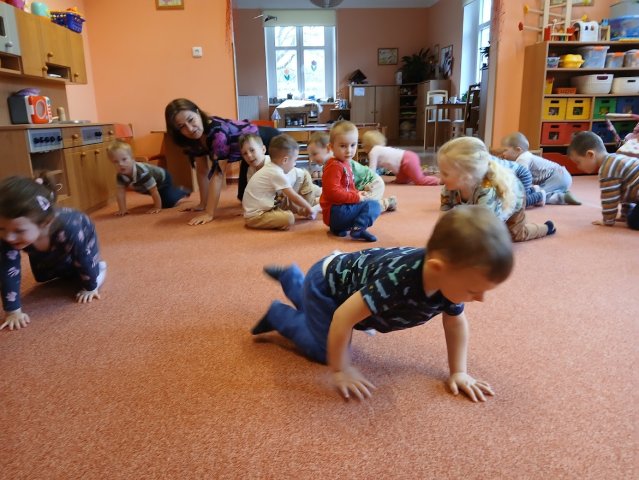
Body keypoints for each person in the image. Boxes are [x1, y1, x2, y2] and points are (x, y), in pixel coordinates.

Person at [251, 205, 514, 402]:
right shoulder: (397, 281)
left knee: (318, 311)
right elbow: (343, 317)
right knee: (325, 349)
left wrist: (459, 372)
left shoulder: (447, 280)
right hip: (328, 287)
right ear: (437, 268)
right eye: (473, 290)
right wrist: (341, 369)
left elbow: (455, 322)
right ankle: (278, 314)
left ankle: (291, 278)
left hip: (342, 284)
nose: (480, 299)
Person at [0, 176, 107, 331]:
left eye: (19, 231)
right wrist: (13, 311)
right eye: (1, 228)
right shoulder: (9, 235)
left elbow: (83, 256)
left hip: (82, 236)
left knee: (83, 269)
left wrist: (90, 287)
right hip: (43, 241)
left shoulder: (70, 229)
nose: (9, 237)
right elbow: (8, 270)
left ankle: (100, 268)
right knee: (44, 276)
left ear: (45, 223)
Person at [164, 98, 280, 225]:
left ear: (197, 112)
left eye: (191, 120)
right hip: (248, 153)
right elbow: (202, 171)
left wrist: (209, 213)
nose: (190, 129)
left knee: (272, 187)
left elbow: (218, 174)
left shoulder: (217, 132)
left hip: (268, 141)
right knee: (244, 197)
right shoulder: (194, 139)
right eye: (182, 126)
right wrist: (203, 203)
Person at [438, 137, 555, 242]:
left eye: (445, 174)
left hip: (514, 197)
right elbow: (445, 219)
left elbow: (486, 233)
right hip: (489, 208)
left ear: (466, 176)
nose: (440, 180)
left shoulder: (486, 191)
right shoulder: (448, 189)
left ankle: (547, 227)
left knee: (515, 235)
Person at [242, 134, 320, 230]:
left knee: (292, 204)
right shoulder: (275, 172)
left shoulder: (271, 167)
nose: (295, 164)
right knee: (289, 217)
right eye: (295, 161)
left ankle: (318, 203)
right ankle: (316, 205)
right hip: (256, 216)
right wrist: (308, 208)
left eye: (252, 150)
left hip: (272, 203)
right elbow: (293, 196)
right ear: (285, 160)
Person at [320, 121, 382, 242]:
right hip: (336, 212)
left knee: (366, 201)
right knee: (374, 205)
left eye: (353, 145)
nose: (349, 150)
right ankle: (358, 228)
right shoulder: (335, 166)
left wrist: (358, 193)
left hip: (336, 214)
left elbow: (346, 188)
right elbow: (332, 193)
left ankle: (339, 228)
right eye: (343, 146)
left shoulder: (344, 163)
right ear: (331, 147)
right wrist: (356, 198)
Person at [307, 131, 396, 212]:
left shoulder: (340, 163)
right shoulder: (327, 166)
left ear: (328, 148)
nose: (312, 158)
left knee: (360, 208)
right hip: (358, 188)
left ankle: (387, 203)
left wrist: (317, 206)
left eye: (315, 154)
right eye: (310, 155)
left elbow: (341, 194)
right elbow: (332, 192)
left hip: (373, 184)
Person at [568, 131, 639, 229]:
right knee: (632, 217)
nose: (578, 167)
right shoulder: (615, 160)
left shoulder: (607, 169)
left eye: (578, 162)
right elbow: (627, 191)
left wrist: (608, 220)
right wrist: (625, 215)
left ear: (590, 154)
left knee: (634, 222)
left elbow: (610, 198)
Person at [106, 140, 190, 216]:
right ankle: (165, 195)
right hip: (145, 186)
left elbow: (153, 190)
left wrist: (157, 207)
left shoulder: (142, 172)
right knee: (156, 194)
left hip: (163, 180)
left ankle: (181, 191)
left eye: (124, 159)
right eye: (116, 162)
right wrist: (122, 209)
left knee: (168, 202)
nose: (120, 164)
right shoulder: (120, 175)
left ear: (132, 159)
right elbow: (120, 193)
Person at [501, 132, 581, 205]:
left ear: (518, 150)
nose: (503, 153)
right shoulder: (526, 157)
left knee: (539, 196)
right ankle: (562, 192)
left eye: (505, 150)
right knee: (538, 192)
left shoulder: (523, 159)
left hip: (558, 176)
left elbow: (521, 179)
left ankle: (562, 197)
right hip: (560, 176)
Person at [361, 130, 439, 186]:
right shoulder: (379, 149)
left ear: (366, 145)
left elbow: (372, 170)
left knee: (420, 180)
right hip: (403, 164)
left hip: (407, 160)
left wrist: (366, 182)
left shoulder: (373, 151)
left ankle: (439, 181)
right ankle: (421, 172)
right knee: (401, 181)